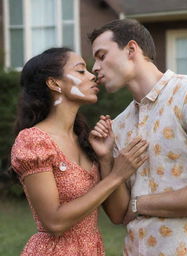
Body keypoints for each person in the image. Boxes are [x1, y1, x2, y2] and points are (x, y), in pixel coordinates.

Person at [88, 19, 187, 256]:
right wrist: (106, 159)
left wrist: (140, 204)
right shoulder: (118, 125)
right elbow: (119, 215)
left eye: (101, 56)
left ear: (131, 49)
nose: (95, 67)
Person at [10, 47, 148, 256]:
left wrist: (105, 160)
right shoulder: (33, 141)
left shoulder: (84, 141)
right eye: (81, 71)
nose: (93, 75)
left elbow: (118, 215)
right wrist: (118, 175)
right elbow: (54, 222)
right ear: (54, 83)